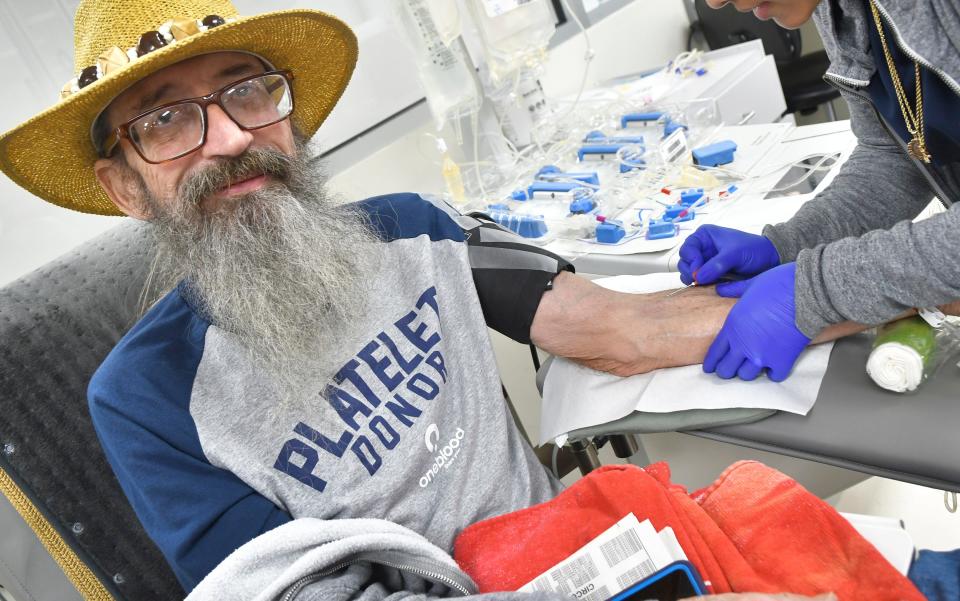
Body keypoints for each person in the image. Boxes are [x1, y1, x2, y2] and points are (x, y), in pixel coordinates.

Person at [0, 0, 946, 597]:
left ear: (284, 113)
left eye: (246, 91)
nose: (226, 138)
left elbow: (618, 330)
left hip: (613, 558)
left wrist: (802, 291)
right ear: (125, 185)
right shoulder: (148, 396)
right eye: (165, 120)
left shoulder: (411, 224)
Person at [678, 0, 960, 382]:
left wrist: (820, 289)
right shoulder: (840, 10)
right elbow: (893, 155)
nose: (714, 3)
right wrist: (789, 244)